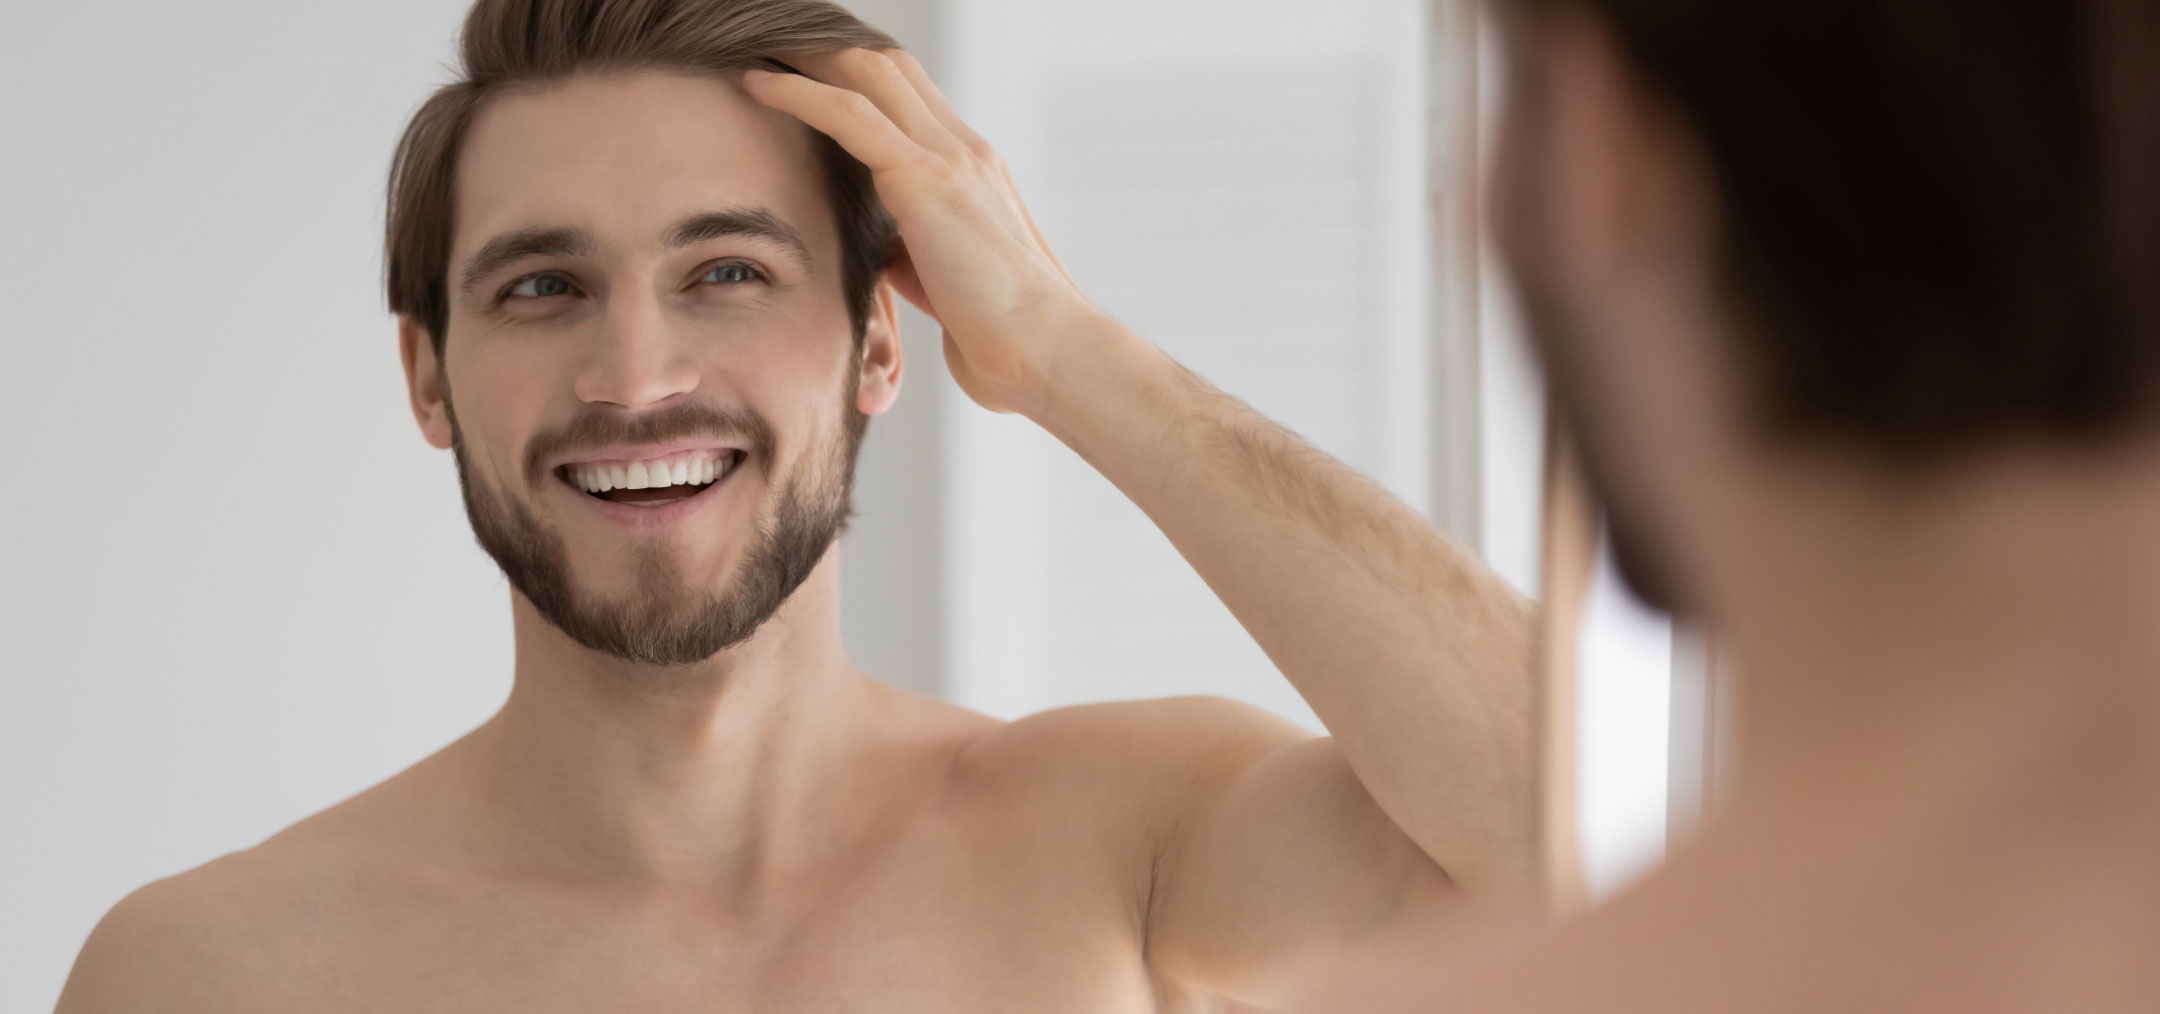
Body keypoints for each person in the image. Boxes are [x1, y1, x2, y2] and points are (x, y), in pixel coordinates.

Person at [54, 1, 1541, 1011]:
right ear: (430, 376)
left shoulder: (1127, 843)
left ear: (882, 339)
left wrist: (1071, 352)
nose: (634, 376)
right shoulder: (215, 970)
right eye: (544, 286)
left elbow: (1585, 824)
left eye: (728, 272)